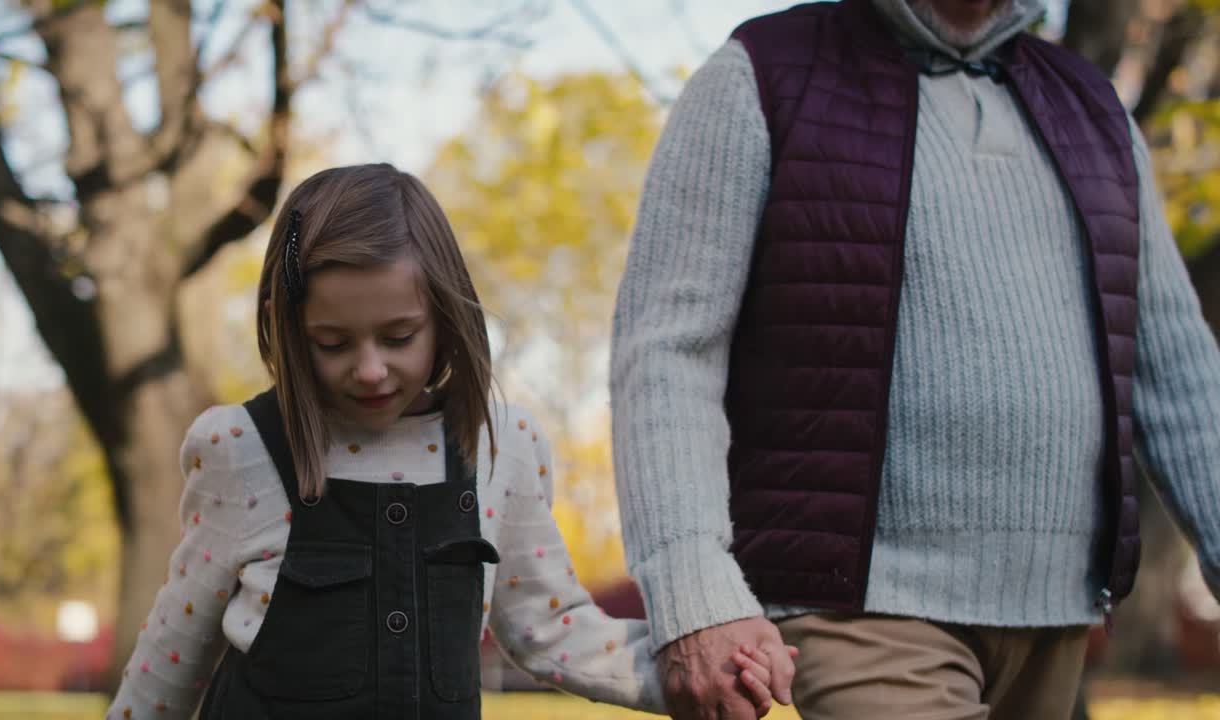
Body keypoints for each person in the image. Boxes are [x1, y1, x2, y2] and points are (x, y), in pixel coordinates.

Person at [611, 0, 1220, 719]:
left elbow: (1181, 375)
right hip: (860, 607)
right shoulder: (762, 74)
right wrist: (691, 585)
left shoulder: (1093, 107)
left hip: (1057, 613)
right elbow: (667, 352)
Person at [106, 163, 789, 720]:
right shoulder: (239, 448)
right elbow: (174, 649)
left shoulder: (501, 448)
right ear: (288, 329)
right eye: (332, 343)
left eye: (398, 337)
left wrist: (695, 663)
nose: (369, 368)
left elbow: (552, 629)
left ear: (445, 316)